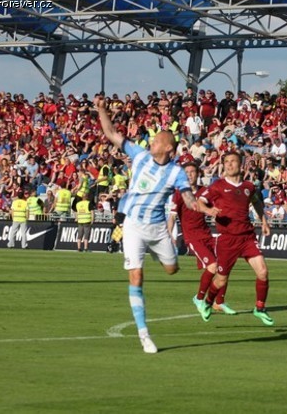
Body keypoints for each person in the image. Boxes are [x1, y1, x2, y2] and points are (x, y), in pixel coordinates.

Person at [96, 95, 201, 354]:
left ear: (168, 148)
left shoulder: (176, 172)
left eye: (156, 141)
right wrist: (101, 109)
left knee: (172, 269)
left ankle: (158, 253)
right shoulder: (140, 155)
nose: (151, 142)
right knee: (136, 275)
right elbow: (111, 133)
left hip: (158, 229)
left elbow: (188, 198)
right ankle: (144, 334)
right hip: (133, 225)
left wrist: (202, 206)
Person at [196, 151, 274, 326]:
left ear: (241, 165)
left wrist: (264, 222)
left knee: (263, 272)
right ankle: (207, 302)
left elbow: (256, 202)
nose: (229, 164)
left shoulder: (248, 186)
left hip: (247, 237)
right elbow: (200, 202)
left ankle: (260, 308)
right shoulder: (217, 186)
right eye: (226, 162)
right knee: (221, 279)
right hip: (227, 239)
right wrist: (209, 211)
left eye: (233, 161)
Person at [167, 162, 236, 315]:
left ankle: (219, 302)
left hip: (207, 235)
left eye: (193, 172)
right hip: (192, 237)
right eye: (187, 172)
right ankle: (199, 298)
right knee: (212, 266)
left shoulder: (205, 191)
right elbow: (171, 217)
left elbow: (215, 208)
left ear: (198, 174)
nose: (190, 175)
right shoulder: (179, 194)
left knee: (223, 267)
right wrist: (169, 235)